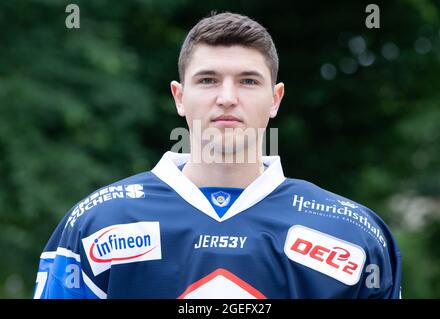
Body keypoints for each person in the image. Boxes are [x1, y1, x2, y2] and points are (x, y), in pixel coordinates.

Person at [34, 12, 401, 299]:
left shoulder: (354, 235)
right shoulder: (97, 223)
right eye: (208, 80)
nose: (227, 97)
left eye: (248, 81)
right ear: (179, 96)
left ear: (275, 99)